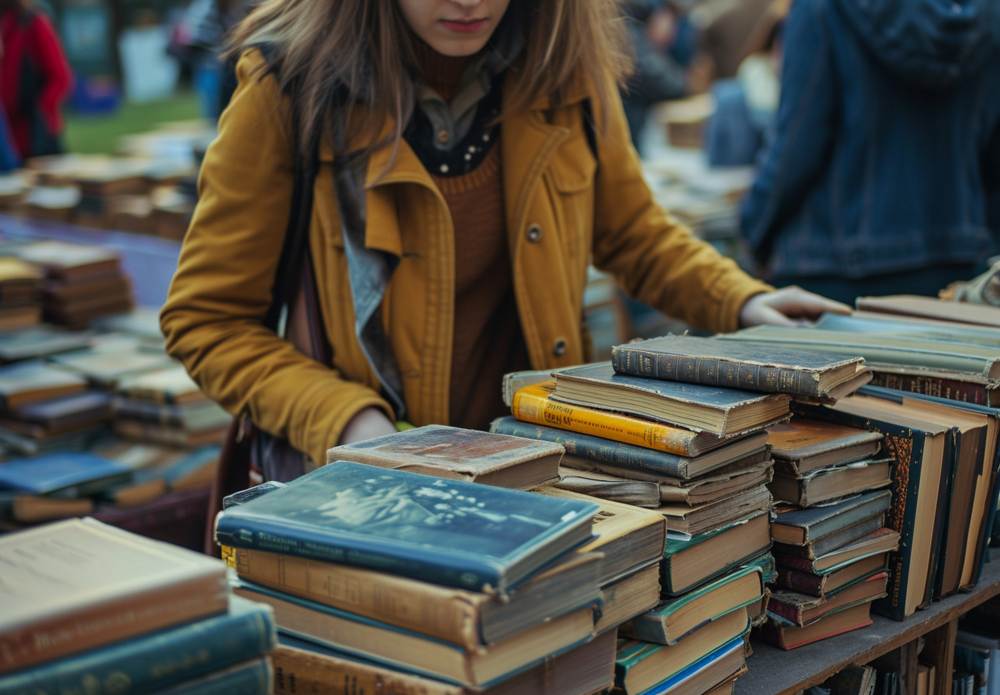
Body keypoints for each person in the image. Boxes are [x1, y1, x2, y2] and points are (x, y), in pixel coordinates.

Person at [160, 0, 848, 470]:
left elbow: (633, 231)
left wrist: (742, 301)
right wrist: (347, 421)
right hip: (368, 498)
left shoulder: (567, 65)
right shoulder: (288, 88)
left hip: (549, 476)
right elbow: (207, 320)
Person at [741, 0, 1000, 305]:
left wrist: (754, 231)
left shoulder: (821, 8)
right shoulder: (985, 14)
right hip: (956, 268)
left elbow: (795, 149)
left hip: (834, 271)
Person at [0, 0, 71, 160]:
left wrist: (42, 110)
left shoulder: (33, 23)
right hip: (11, 133)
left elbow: (60, 77)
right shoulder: (6, 24)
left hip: (36, 132)